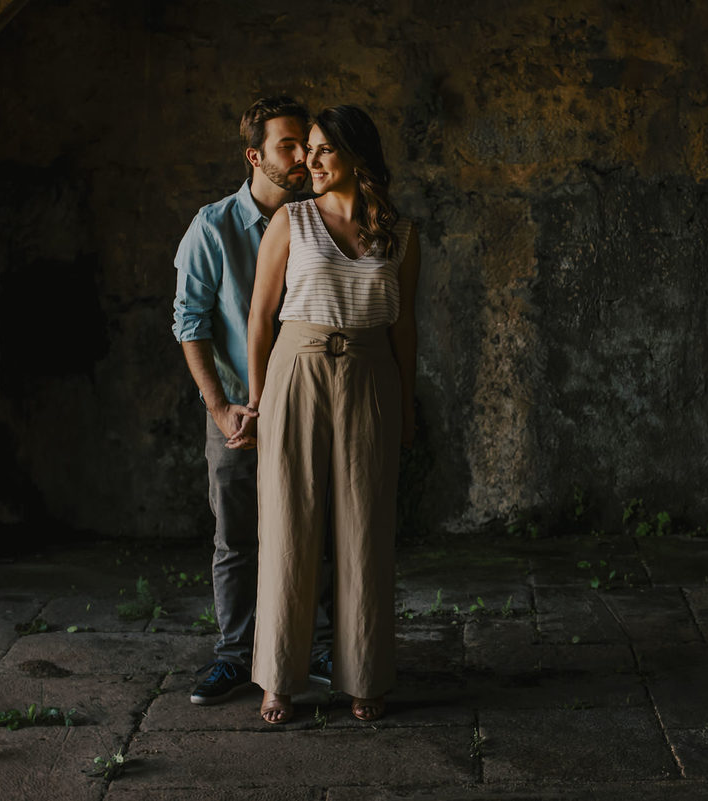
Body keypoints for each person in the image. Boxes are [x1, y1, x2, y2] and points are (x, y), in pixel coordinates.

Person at [231, 104, 420, 724]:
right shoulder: (292, 221)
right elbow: (260, 317)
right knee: (290, 523)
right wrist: (257, 401)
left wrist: (408, 403)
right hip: (297, 370)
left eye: (322, 151)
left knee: (365, 526)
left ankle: (365, 673)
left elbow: (405, 326)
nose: (307, 162)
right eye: (303, 150)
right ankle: (278, 679)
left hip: (371, 375)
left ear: (356, 158)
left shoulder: (401, 235)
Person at [172, 96, 335, 705]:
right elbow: (190, 323)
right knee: (237, 537)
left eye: (307, 145)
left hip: (309, 407)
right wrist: (220, 408)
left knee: (315, 527)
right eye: (289, 146)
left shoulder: (320, 220)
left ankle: (318, 645)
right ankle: (236, 655)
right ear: (255, 156)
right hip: (239, 411)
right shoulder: (211, 229)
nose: (302, 159)